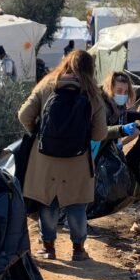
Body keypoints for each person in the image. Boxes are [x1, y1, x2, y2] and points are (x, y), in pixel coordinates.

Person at [18, 50, 108, 262]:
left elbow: (23, 115)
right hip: (77, 159)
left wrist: (38, 132)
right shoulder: (92, 92)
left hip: (44, 157)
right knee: (76, 204)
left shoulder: (47, 84)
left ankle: (48, 247)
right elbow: (100, 133)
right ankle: (78, 250)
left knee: (48, 202)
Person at [102, 71, 140, 175]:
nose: (123, 95)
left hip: (113, 147)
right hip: (100, 151)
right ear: (110, 89)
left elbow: (135, 131)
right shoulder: (102, 109)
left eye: (125, 92)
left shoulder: (121, 108)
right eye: (119, 91)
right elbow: (99, 132)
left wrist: (120, 143)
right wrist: (120, 132)